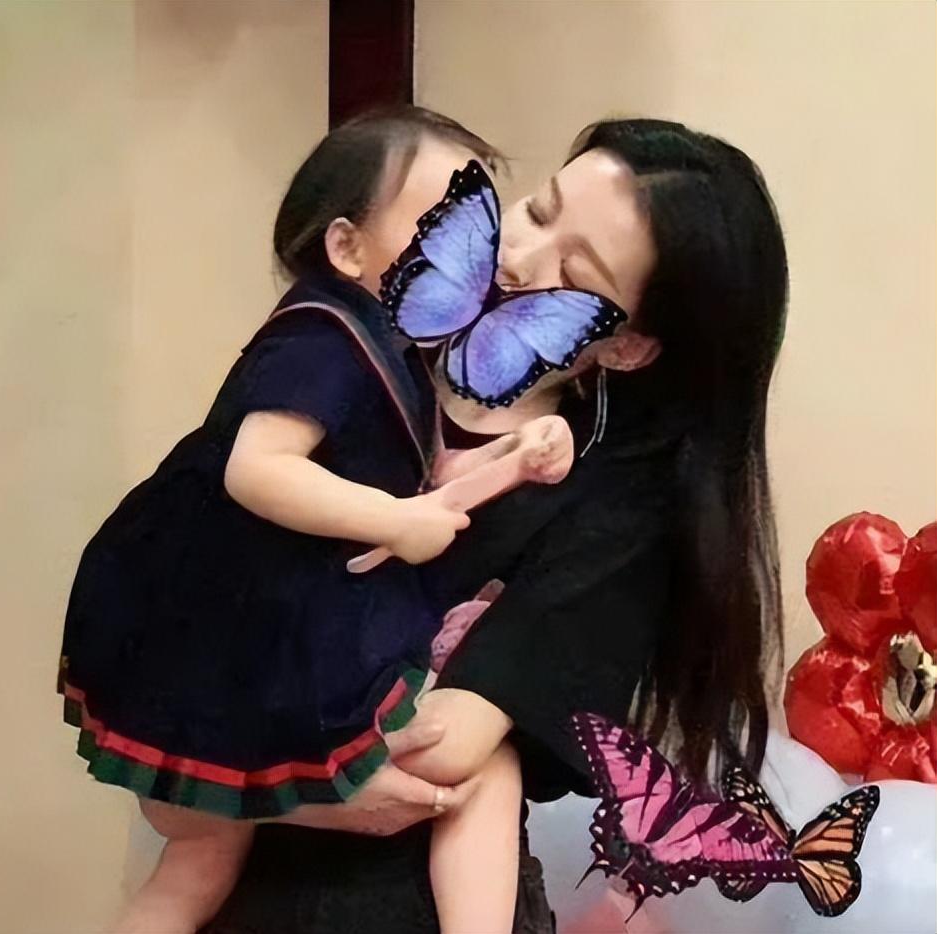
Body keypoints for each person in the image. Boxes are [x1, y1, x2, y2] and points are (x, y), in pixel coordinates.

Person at [203, 116, 789, 934]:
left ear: (626, 347)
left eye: (573, 272)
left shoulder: (611, 510)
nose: (516, 259)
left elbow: (438, 752)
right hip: (231, 884)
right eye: (538, 211)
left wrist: (230, 764)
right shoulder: (342, 362)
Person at [58, 108, 560, 934]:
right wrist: (394, 521)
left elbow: (431, 483)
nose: (473, 258)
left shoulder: (393, 348)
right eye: (438, 228)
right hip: (239, 632)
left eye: (476, 230)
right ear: (348, 249)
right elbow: (257, 469)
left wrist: (514, 459)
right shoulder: (321, 341)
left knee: (199, 862)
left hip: (237, 634)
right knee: (485, 772)